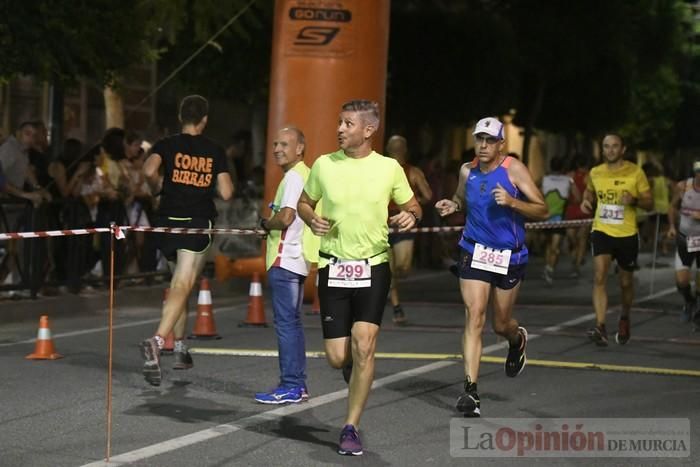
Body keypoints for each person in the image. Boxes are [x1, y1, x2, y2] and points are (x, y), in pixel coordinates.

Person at [297, 100, 421, 456]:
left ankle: (350, 426)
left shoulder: (389, 168)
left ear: (368, 130)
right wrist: (310, 218)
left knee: (365, 343)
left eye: (347, 123)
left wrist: (410, 216)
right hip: (334, 266)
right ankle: (352, 366)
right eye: (339, 122)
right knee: (338, 356)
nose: (339, 128)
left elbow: (413, 205)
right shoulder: (323, 164)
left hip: (373, 266)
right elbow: (305, 202)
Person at [435, 116, 548, 418]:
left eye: (489, 141)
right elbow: (461, 198)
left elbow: (543, 209)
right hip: (473, 251)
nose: (483, 146)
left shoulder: (514, 169)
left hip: (508, 256)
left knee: (500, 324)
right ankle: (470, 391)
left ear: (501, 144)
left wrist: (513, 202)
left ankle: (517, 339)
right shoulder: (467, 170)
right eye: (479, 140)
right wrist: (453, 205)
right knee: (474, 316)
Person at [139, 95, 233, 386]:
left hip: (167, 220)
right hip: (196, 221)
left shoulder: (166, 144)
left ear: (181, 116)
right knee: (183, 284)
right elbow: (227, 192)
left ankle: (180, 349)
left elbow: (148, 170)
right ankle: (157, 341)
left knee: (177, 286)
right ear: (204, 119)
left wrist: (157, 189)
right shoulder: (214, 150)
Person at [254, 126, 319, 404]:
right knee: (292, 323)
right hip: (297, 259)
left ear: (300, 149)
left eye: (284, 144)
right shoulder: (305, 174)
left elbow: (287, 216)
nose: (277, 149)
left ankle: (291, 384)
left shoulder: (294, 177)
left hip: (286, 259)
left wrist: (265, 224)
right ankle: (297, 384)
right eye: (275, 144)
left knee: (286, 324)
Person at [580, 133, 652, 346]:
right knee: (599, 276)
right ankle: (600, 326)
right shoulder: (595, 172)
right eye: (606, 146)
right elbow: (589, 192)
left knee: (625, 283)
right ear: (602, 150)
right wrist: (586, 201)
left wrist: (635, 200)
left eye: (614, 146)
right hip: (601, 230)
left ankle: (624, 317)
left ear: (623, 149)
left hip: (627, 234)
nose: (610, 150)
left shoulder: (635, 172)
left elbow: (649, 203)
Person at [385, 135, 433, 324]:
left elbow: (428, 195)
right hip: (383, 224)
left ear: (405, 150)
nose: (396, 152)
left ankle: (390, 286)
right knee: (386, 269)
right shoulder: (380, 169)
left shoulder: (413, 172)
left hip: (403, 224)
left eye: (400, 148)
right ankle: (396, 304)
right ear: (388, 150)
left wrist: (410, 206)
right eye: (393, 149)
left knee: (403, 267)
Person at [666, 160, 700, 327]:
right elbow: (672, 207)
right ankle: (689, 301)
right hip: (685, 239)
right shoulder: (683, 187)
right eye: (698, 172)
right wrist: (672, 226)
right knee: (682, 281)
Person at [541, 156, 580, 285]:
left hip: (544, 218)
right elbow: (578, 198)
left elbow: (534, 193)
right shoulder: (568, 180)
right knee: (555, 247)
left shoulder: (543, 179)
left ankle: (548, 267)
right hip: (559, 219)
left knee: (549, 245)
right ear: (563, 167)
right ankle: (549, 268)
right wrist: (568, 199)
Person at [564, 154, 591, 278]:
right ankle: (577, 257)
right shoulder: (570, 176)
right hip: (575, 208)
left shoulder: (589, 176)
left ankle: (577, 265)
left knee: (580, 239)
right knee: (574, 238)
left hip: (580, 209)